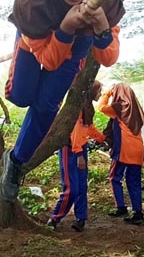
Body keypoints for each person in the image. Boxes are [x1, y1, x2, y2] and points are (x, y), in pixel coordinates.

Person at [0, 0, 126, 202]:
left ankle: (16, 161)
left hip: (76, 48)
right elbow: (48, 59)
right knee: (22, 97)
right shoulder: (31, 2)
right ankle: (17, 151)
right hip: (35, 40)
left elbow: (108, 58)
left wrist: (103, 27)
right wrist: (66, 27)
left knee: (46, 106)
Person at [46, 81, 106, 232]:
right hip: (70, 150)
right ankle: (54, 218)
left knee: (81, 186)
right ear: (91, 92)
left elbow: (89, 127)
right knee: (71, 188)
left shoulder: (87, 108)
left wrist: (101, 138)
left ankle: (81, 218)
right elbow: (75, 132)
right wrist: (78, 153)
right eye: (99, 91)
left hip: (81, 148)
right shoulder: (77, 109)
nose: (100, 94)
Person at [99, 82, 144, 225]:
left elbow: (101, 107)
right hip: (138, 149)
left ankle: (121, 206)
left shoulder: (118, 108)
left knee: (114, 177)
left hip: (124, 150)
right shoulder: (138, 109)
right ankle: (138, 212)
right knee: (134, 182)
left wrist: (107, 93)